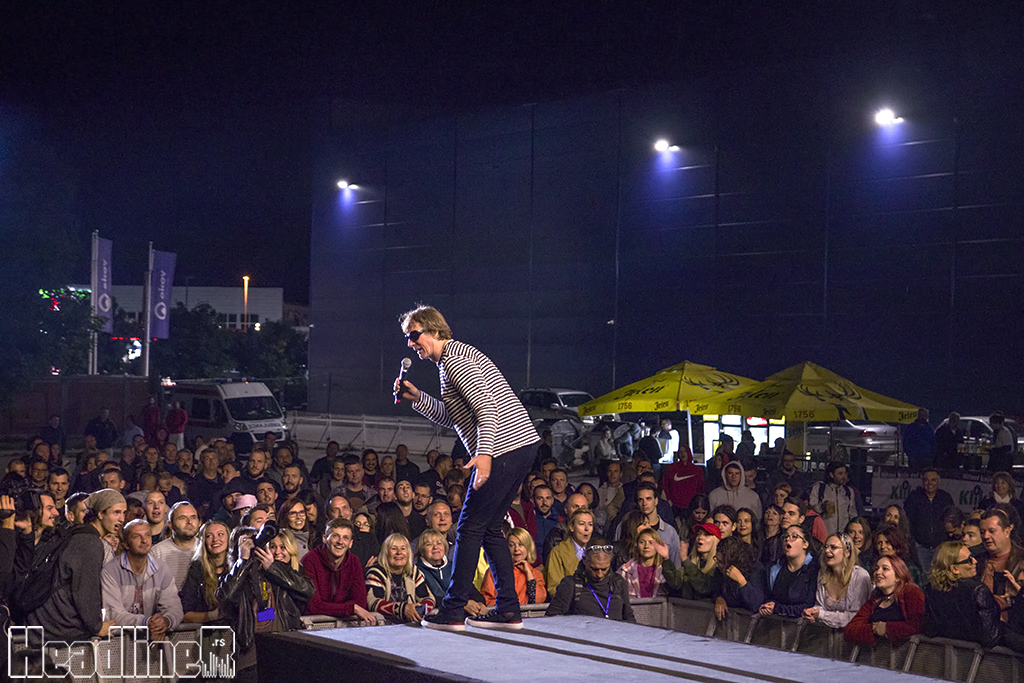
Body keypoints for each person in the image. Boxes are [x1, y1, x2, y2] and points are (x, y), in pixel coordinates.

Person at [395, 306, 539, 632]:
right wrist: (418, 397)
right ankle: (508, 610)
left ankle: (453, 610)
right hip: (520, 446)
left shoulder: (455, 360)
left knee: (469, 528)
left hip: (503, 448)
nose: (410, 343)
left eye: (413, 335)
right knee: (488, 529)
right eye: (407, 337)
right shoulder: (452, 360)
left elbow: (487, 407)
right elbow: (456, 417)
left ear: (434, 331)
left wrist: (484, 454)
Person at [217, 525, 315, 681]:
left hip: (285, 653)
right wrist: (242, 562)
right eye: (246, 542)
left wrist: (273, 568)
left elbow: (307, 591)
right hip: (250, 657)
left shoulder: (277, 574)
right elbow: (226, 598)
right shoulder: (233, 578)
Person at [101, 519, 184, 636]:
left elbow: (174, 607)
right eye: (137, 536)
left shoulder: (161, 569)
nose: (144, 540)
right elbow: (114, 615)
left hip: (151, 640)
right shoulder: (111, 570)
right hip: (120, 641)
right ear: (126, 544)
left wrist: (165, 621)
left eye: (147, 535)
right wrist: (146, 623)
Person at [923, 541, 1001, 647]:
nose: (975, 561)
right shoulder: (979, 591)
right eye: (969, 559)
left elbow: (930, 630)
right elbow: (990, 637)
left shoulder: (931, 589)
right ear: (955, 569)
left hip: (943, 653)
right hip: (976, 656)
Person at [302, 518, 376, 623]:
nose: (340, 542)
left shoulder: (354, 562)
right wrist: (351, 608)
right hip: (313, 625)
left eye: (345, 538)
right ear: (324, 538)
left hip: (345, 625)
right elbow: (314, 605)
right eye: (335, 536)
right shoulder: (310, 560)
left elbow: (360, 603)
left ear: (350, 543)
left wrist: (351, 608)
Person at [845, 555, 925, 646]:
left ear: (898, 576)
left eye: (885, 569)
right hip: (879, 654)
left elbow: (918, 625)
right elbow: (850, 630)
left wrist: (887, 628)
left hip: (908, 653)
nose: (878, 572)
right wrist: (874, 628)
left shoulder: (911, 592)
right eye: (876, 568)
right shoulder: (875, 599)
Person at [546, 542, 635, 622]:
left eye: (604, 569)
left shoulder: (618, 582)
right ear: (584, 560)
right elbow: (552, 619)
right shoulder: (570, 584)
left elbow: (629, 617)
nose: (600, 574)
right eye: (594, 569)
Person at [802, 533, 871, 628]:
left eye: (833, 547)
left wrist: (822, 615)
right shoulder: (823, 575)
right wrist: (812, 613)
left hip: (852, 635)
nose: (827, 550)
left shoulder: (860, 576)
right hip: (826, 635)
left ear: (847, 553)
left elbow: (856, 616)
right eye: (825, 547)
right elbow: (820, 607)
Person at [365, 532, 434, 623]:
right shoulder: (376, 573)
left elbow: (428, 598)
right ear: (386, 552)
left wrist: (418, 611)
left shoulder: (414, 572)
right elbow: (372, 602)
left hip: (411, 622)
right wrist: (402, 609)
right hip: (385, 623)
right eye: (393, 549)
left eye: (403, 548)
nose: (399, 552)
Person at [760, 524, 818, 618]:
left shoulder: (814, 569)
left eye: (794, 536)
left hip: (804, 624)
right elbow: (771, 597)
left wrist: (778, 608)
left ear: (805, 544)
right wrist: (767, 607)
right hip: (777, 623)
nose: (788, 539)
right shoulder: (775, 568)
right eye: (785, 536)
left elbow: (809, 607)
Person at [179, 520, 230, 624]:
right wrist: (213, 615)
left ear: (229, 538)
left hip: (238, 629)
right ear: (203, 542)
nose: (215, 539)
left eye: (220, 534)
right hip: (208, 630)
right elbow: (185, 613)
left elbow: (261, 607)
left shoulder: (239, 566)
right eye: (209, 536)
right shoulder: (197, 569)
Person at [904, 468, 955, 572]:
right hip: (920, 547)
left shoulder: (945, 498)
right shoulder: (913, 498)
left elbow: (952, 519)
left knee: (940, 575)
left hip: (941, 547)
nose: (930, 483)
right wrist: (913, 542)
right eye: (926, 480)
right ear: (922, 481)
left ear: (938, 482)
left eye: (933, 480)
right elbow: (906, 521)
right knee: (923, 576)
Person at [480, 528, 546, 606]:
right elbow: (487, 600)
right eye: (512, 545)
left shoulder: (536, 574)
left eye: (521, 544)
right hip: (504, 613)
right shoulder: (495, 571)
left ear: (528, 547)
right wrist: (512, 607)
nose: (516, 549)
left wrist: (528, 573)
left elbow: (539, 599)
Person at [979, 507, 1024, 620]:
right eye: (982, 532)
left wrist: (1018, 595)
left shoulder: (1021, 560)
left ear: (1007, 531)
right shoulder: (977, 561)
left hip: (1012, 625)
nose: (986, 536)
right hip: (980, 623)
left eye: (992, 531)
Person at [151, 501, 201, 590]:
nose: (189, 522)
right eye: (183, 518)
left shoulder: (205, 548)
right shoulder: (157, 552)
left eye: (193, 517)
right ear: (170, 525)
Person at [619, 527, 680, 599]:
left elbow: (675, 587)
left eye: (651, 543)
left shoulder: (664, 570)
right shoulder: (626, 570)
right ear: (637, 545)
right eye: (642, 542)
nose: (646, 546)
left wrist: (666, 558)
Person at [713, 535, 765, 619]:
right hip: (729, 621)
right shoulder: (719, 571)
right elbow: (716, 589)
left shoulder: (755, 569)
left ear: (732, 561)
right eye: (716, 560)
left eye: (721, 562)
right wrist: (719, 598)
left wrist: (741, 581)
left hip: (751, 622)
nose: (716, 565)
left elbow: (756, 604)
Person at [546, 508, 595, 590]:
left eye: (590, 524)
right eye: (582, 524)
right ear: (571, 527)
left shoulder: (596, 551)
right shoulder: (558, 552)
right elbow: (554, 587)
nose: (587, 528)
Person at [808, 462, 858, 537]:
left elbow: (852, 512)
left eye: (845, 473)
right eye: (840, 474)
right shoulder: (820, 488)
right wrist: (822, 507)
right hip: (824, 534)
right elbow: (812, 509)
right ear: (831, 475)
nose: (844, 476)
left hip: (843, 534)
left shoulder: (848, 491)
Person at [679, 522, 721, 600]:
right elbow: (675, 582)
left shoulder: (718, 567)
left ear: (715, 541)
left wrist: (685, 559)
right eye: (698, 534)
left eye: (706, 535)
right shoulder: (691, 563)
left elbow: (703, 587)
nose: (700, 537)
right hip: (686, 607)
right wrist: (666, 558)